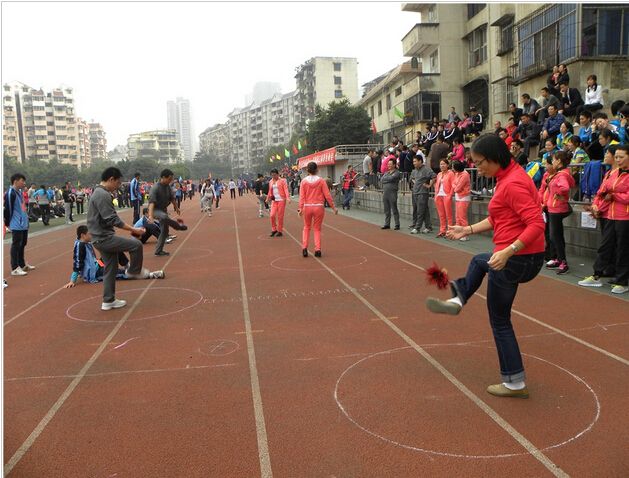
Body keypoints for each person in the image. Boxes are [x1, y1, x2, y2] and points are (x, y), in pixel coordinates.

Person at [426, 134, 545, 398]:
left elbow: (537, 224)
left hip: (516, 259)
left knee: (500, 321)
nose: (477, 168)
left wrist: (508, 251)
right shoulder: (509, 177)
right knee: (479, 260)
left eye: (480, 163)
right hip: (519, 256)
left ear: (494, 158)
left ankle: (514, 382)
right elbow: (496, 218)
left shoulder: (512, 183)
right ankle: (459, 299)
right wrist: (465, 229)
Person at [87, 167, 156, 310]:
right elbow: (113, 219)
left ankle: (108, 301)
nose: (118, 187)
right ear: (111, 179)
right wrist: (134, 229)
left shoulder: (99, 192)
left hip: (99, 237)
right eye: (118, 183)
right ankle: (133, 272)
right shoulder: (102, 195)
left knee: (110, 269)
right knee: (135, 244)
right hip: (103, 238)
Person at [578, 145, 629, 294]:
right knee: (605, 246)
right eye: (617, 157)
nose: (618, 160)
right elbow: (602, 191)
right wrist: (596, 205)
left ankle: (622, 281)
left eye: (621, 157)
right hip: (610, 215)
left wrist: (614, 195)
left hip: (625, 217)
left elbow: (624, 196)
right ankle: (596, 275)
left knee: (622, 249)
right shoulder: (612, 173)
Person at [64, 225, 164, 288]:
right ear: (83, 235)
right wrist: (73, 280)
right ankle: (151, 275)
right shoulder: (80, 245)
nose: (92, 235)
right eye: (90, 234)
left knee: (114, 248)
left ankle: (128, 267)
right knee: (116, 273)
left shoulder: (86, 243)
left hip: (98, 264)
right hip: (95, 273)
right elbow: (77, 262)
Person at [297, 161, 338, 258]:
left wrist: (300, 209)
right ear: (317, 170)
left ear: (307, 170)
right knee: (317, 229)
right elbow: (327, 195)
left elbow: (302, 196)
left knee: (306, 227)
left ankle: (304, 248)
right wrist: (333, 208)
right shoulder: (321, 181)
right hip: (319, 207)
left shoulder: (303, 181)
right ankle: (317, 249)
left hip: (307, 206)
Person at [544, 151, 575, 274]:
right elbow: (571, 183)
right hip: (554, 208)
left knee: (555, 236)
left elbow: (566, 187)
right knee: (556, 235)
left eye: (553, 160)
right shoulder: (562, 173)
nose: (552, 162)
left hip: (557, 208)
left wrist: (560, 195)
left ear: (559, 161)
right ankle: (559, 259)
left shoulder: (561, 175)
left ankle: (563, 262)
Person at [148, 168, 188, 257]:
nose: (170, 181)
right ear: (163, 177)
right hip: (155, 210)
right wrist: (150, 216)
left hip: (163, 210)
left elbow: (172, 198)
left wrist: (176, 207)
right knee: (164, 217)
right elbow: (151, 203)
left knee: (165, 231)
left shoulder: (168, 187)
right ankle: (177, 226)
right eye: (169, 179)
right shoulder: (155, 188)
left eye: (171, 179)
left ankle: (158, 251)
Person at [4, 173, 35, 276]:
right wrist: (7, 223)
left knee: (23, 243)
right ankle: (14, 267)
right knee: (16, 245)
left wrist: (26, 220)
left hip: (23, 223)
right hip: (16, 223)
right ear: (16, 181)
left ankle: (22, 264)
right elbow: (7, 209)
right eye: (22, 181)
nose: (24, 183)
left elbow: (22, 207)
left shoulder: (20, 192)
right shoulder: (10, 193)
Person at [409, 153, 436, 234]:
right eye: (413, 162)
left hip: (422, 193)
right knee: (424, 210)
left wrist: (429, 185)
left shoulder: (426, 169)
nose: (414, 163)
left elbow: (434, 176)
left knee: (420, 211)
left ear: (420, 161)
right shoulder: (414, 171)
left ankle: (417, 227)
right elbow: (412, 178)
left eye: (415, 161)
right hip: (415, 192)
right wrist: (415, 183)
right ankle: (428, 226)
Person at [266, 168, 291, 237]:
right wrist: (268, 198)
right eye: (272, 175)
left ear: (278, 174)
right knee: (272, 215)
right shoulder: (270, 181)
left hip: (281, 200)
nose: (273, 177)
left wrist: (288, 198)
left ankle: (279, 230)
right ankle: (274, 229)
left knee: (280, 216)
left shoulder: (282, 181)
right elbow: (269, 191)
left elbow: (286, 189)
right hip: (274, 201)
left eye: (274, 175)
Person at [434, 159, 454, 237]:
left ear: (447, 165)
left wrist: (450, 195)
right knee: (441, 214)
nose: (442, 166)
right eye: (441, 164)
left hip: (446, 195)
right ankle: (442, 230)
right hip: (439, 195)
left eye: (444, 164)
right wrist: (436, 195)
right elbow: (436, 185)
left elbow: (453, 185)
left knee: (448, 214)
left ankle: (449, 231)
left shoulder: (451, 173)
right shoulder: (439, 174)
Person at [452, 160, 471, 240]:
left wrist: (455, 187)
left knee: (462, 217)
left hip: (464, 197)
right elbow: (453, 184)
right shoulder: (456, 174)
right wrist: (455, 187)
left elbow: (457, 188)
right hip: (458, 197)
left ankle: (465, 234)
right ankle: (458, 232)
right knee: (457, 216)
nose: (452, 168)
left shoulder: (465, 175)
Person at [381, 158, 401, 230]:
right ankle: (387, 224)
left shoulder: (397, 172)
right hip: (385, 193)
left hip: (392, 193)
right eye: (388, 164)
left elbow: (391, 179)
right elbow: (382, 180)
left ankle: (397, 224)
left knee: (394, 208)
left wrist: (387, 179)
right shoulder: (386, 173)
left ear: (394, 165)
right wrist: (387, 179)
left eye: (390, 164)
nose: (388, 165)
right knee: (386, 209)